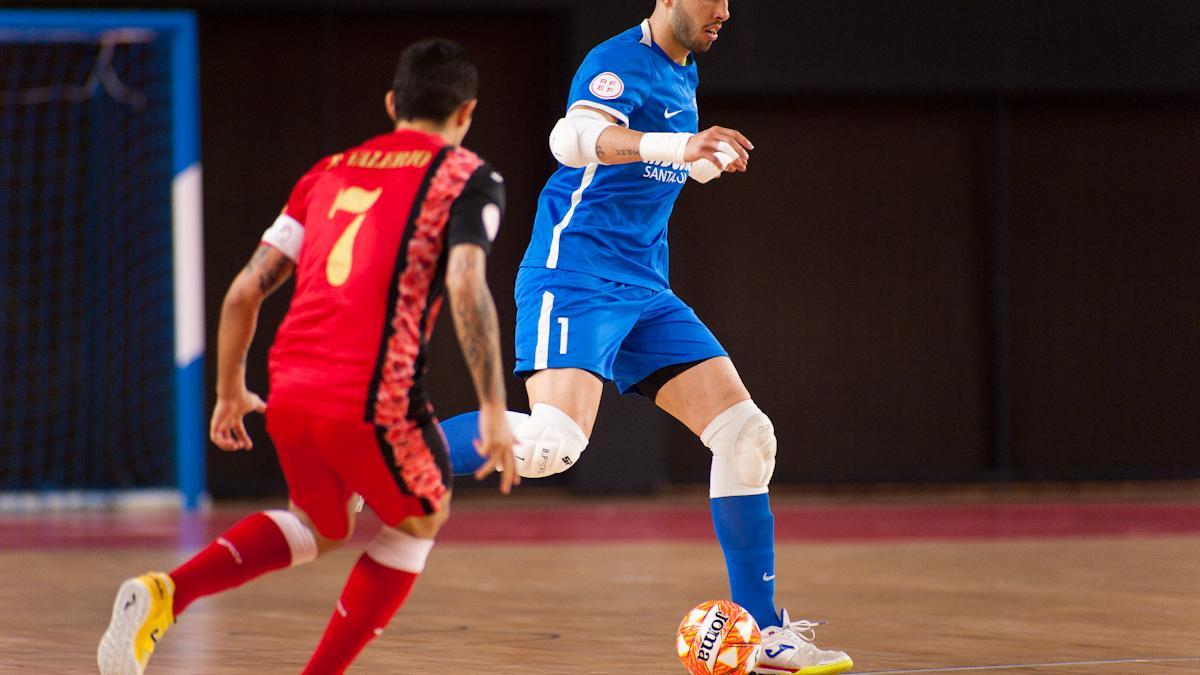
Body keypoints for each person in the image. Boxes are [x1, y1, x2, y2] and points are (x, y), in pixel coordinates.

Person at [441, 2, 853, 674]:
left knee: (746, 434)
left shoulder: (682, 72)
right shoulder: (615, 61)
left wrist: (697, 164)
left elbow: (640, 173)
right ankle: (396, 449)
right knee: (552, 446)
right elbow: (571, 142)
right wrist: (677, 147)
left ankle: (766, 631)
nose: (724, 10)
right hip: (575, 276)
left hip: (644, 289)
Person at [97, 38, 518, 675]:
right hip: (372, 395)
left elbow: (245, 290)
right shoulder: (468, 176)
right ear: (466, 113)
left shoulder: (329, 170)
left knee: (322, 528)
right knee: (422, 515)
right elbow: (464, 282)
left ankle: (165, 593)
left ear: (391, 104)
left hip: (289, 389)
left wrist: (231, 391)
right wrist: (491, 407)